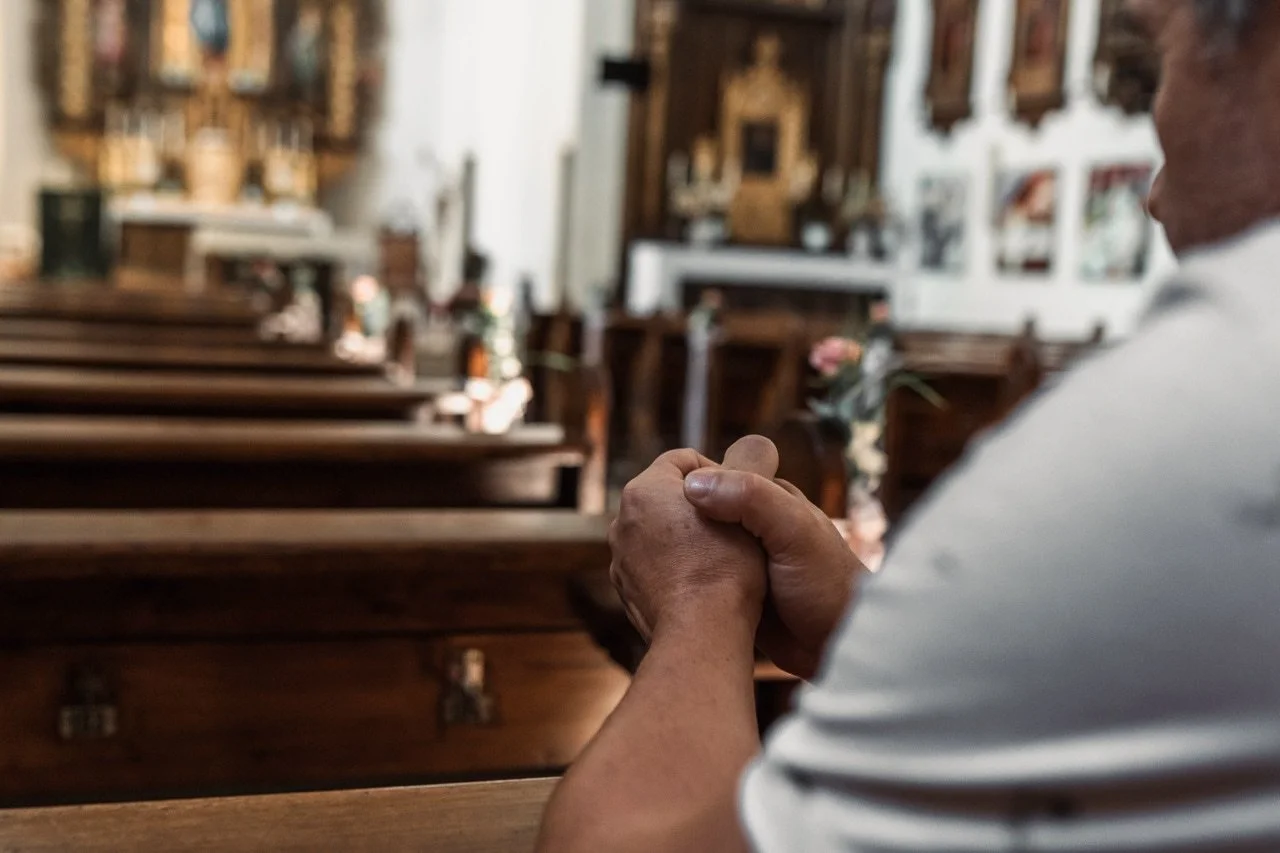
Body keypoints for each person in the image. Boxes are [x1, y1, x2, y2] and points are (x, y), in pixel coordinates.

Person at [537, 1, 1280, 850]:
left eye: (1161, 57)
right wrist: (872, 622)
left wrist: (703, 599)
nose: (1150, 194)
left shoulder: (1193, 422)